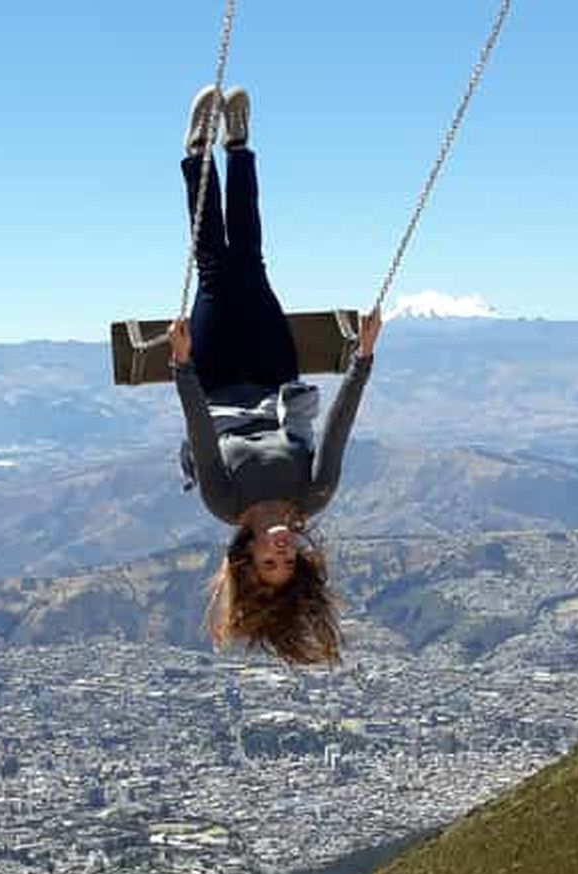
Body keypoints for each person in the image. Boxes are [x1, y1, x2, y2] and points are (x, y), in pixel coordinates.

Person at [168, 86, 381, 667]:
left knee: (215, 270)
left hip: (213, 378)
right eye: (288, 563)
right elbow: (337, 429)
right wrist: (361, 360)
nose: (281, 553)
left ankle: (196, 157)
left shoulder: (223, 499)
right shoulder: (313, 494)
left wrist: (183, 367)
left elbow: (201, 434)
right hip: (271, 375)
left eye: (269, 562)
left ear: (247, 557)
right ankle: (238, 148)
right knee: (252, 265)